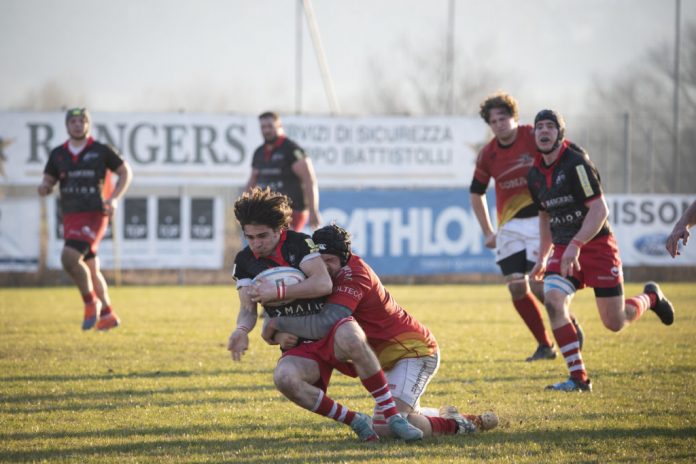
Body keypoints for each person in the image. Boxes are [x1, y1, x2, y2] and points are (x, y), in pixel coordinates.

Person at [262, 224, 499, 438]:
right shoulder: (315, 273)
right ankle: (440, 414)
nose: (324, 266)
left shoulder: (354, 274)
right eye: (319, 259)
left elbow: (327, 321)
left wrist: (279, 325)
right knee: (395, 420)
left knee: (385, 428)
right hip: (381, 358)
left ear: (344, 258)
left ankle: (457, 425)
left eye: (330, 260)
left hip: (413, 352)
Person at [227, 187, 422, 442]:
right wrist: (241, 330)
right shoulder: (244, 261)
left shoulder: (299, 243)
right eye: (249, 237)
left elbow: (323, 284)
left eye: (262, 236)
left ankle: (393, 416)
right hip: (299, 343)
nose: (256, 243)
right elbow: (247, 309)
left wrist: (278, 292)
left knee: (352, 336)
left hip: (330, 330)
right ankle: (356, 420)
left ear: (279, 229)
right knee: (284, 378)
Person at [527, 109, 675, 392]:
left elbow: (599, 209)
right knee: (554, 303)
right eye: (539, 127)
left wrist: (577, 244)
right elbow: (545, 216)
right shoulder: (534, 175)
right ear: (534, 134)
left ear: (561, 133)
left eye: (550, 126)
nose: (544, 131)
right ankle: (579, 380)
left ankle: (651, 297)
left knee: (615, 322)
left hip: (596, 246)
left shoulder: (575, 165)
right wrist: (544, 256)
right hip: (564, 247)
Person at [470, 92, 582, 362]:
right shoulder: (488, 154)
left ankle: (568, 324)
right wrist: (487, 231)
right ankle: (545, 345)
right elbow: (476, 193)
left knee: (540, 284)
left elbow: (569, 155)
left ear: (514, 117)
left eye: (504, 117)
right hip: (509, 226)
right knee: (516, 287)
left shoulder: (534, 136)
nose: (499, 124)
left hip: (540, 220)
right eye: (493, 120)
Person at [38, 107, 132, 331]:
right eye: (74, 121)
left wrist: (114, 198)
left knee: (69, 258)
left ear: (88, 124)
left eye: (82, 121)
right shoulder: (58, 154)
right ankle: (108, 314)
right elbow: (48, 181)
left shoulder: (100, 150)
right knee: (90, 268)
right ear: (67, 126)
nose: (78, 125)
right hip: (70, 216)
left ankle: (91, 303)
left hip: (94, 215)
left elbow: (125, 171)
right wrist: (44, 187)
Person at [245, 111, 321, 231]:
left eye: (270, 126)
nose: (266, 130)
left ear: (279, 126)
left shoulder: (291, 149)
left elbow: (309, 179)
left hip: (291, 211)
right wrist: (244, 208)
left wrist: (313, 211)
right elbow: (252, 181)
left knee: (282, 245)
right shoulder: (259, 152)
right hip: (267, 211)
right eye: (263, 127)